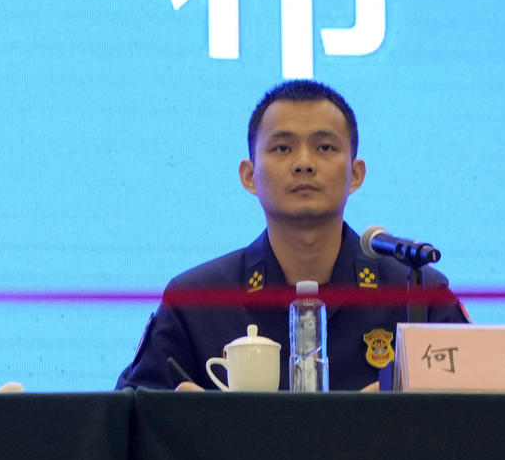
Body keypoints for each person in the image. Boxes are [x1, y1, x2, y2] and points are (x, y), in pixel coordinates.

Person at [116, 80, 468, 392]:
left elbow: (487, 414)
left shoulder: (418, 295)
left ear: (356, 174)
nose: (304, 163)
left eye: (325, 148)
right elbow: (127, 417)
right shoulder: (196, 300)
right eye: (282, 148)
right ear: (249, 175)